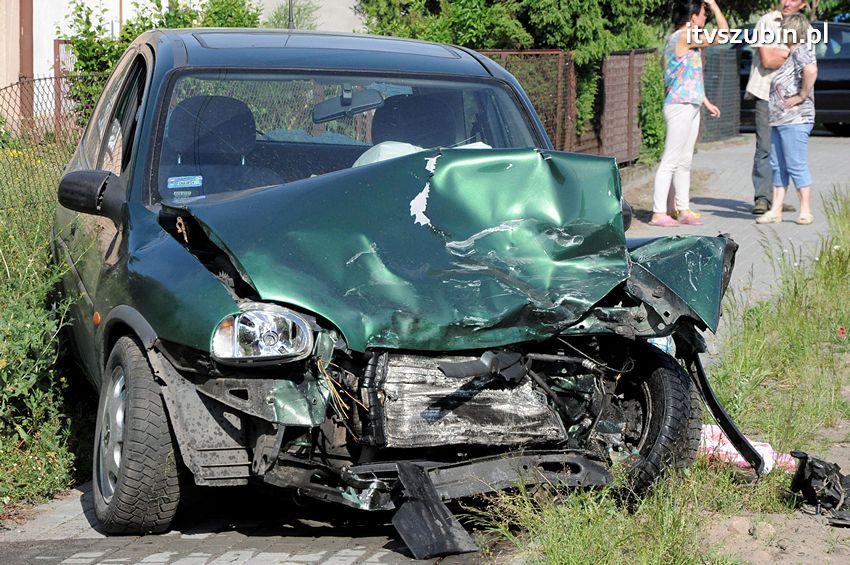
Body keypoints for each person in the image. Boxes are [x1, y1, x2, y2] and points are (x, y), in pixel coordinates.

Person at [650, 0, 728, 227]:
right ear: (693, 16)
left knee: (684, 161)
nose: (705, 18)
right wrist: (714, 5)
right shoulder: (683, 36)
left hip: (691, 103)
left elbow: (688, 75)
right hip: (679, 104)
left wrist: (705, 101)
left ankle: (681, 209)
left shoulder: (689, 40)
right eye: (703, 14)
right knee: (671, 159)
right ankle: (658, 213)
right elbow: (724, 35)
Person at [755, 13, 817, 225]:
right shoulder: (791, 54)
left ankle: (806, 210)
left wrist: (801, 95)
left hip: (796, 119)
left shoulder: (800, 51)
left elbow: (811, 70)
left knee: (795, 164)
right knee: (777, 165)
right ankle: (776, 210)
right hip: (780, 120)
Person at [747, 0, 808, 215]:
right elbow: (767, 60)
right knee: (765, 147)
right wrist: (792, 56)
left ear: (803, 4)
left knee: (785, 150)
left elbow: (807, 63)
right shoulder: (767, 21)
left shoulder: (804, 25)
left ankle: (777, 200)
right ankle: (762, 198)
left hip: (791, 98)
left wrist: (782, 55)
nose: (787, 2)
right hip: (766, 93)